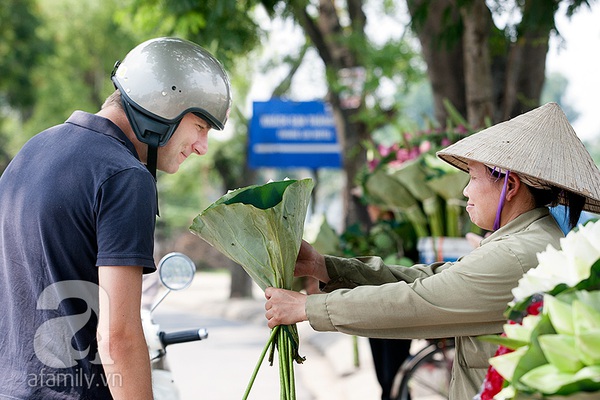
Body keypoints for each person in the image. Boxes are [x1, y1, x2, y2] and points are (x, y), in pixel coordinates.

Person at [263, 102, 600, 399]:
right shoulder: (530, 238)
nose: (466, 190)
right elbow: (433, 278)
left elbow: (416, 302)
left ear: (509, 186)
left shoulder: (519, 254)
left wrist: (307, 307)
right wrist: (325, 267)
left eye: (473, 176)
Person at [0, 37, 231, 399]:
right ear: (163, 105)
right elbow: (118, 338)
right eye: (201, 127)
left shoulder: (31, 153)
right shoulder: (125, 178)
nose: (202, 147)